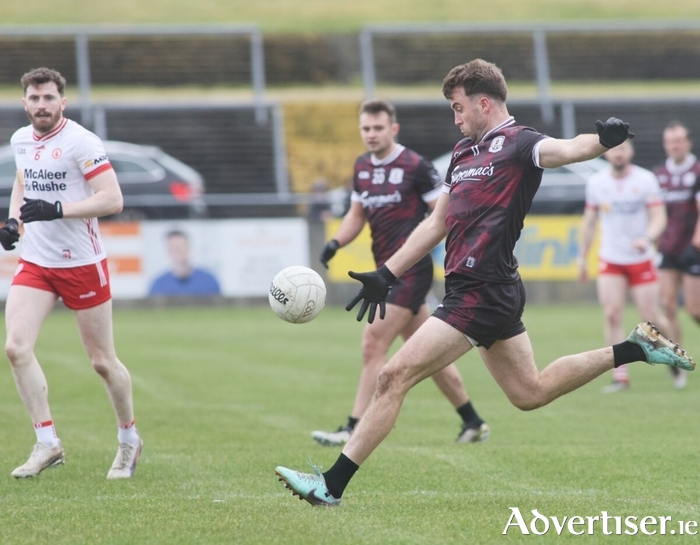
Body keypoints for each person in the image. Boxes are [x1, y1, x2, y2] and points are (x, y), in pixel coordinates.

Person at [274, 59, 695, 507]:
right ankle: (634, 348)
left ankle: (331, 485)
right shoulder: (462, 154)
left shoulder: (520, 143)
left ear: (483, 103)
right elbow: (437, 222)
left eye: (458, 109)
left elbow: (566, 148)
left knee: (393, 376)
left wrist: (602, 141)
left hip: (483, 289)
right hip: (480, 289)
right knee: (529, 393)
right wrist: (387, 273)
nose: (455, 120)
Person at [312, 99, 489, 447]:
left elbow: (441, 217)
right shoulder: (362, 167)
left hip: (409, 271)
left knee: (373, 342)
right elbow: (357, 215)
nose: (372, 134)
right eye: (366, 128)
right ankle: (473, 421)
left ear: (393, 129)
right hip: (386, 272)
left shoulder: (415, 166)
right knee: (427, 353)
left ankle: (352, 426)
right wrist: (336, 242)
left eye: (378, 128)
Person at [1, 67, 143, 479]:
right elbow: (23, 181)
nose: (41, 105)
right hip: (37, 263)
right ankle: (47, 444)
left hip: (82, 264)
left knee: (102, 361)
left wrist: (58, 209)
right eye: (34, 98)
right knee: (16, 348)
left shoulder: (81, 141)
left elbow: (112, 199)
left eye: (49, 98)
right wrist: (14, 223)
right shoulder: (21, 139)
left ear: (63, 102)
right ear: (24, 102)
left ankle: (129, 440)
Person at [578, 139, 670, 393]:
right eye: (614, 150)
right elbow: (589, 222)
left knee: (650, 318)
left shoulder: (646, 180)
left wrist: (648, 238)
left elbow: (659, 216)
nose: (619, 154)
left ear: (631, 152)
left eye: (623, 149)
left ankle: (673, 354)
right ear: (607, 154)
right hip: (611, 258)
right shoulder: (596, 183)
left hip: (641, 258)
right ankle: (620, 375)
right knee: (612, 313)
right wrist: (583, 257)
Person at [653, 120, 700, 390]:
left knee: (695, 310)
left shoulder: (697, 171)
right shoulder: (658, 175)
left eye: (679, 140)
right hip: (668, 250)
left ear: (688, 142)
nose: (675, 145)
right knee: (668, 306)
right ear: (665, 145)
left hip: (692, 249)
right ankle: (678, 361)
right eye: (671, 141)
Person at [148, 229, 221, 297]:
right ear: (168, 251)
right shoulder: (159, 286)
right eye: (174, 248)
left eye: (181, 247)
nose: (179, 252)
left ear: (189, 248)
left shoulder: (208, 282)